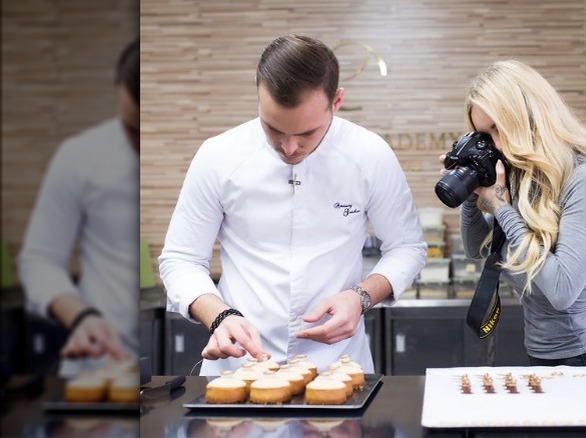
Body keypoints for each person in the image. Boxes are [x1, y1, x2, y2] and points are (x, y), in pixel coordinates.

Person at [159, 34, 426, 376]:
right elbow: (180, 259)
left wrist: (361, 296)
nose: (288, 148)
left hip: (338, 365)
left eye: (307, 133)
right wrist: (218, 316)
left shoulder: (370, 155)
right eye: (274, 129)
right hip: (239, 364)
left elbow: (407, 247)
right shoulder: (217, 156)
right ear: (258, 96)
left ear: (337, 101)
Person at [447, 59, 586, 374]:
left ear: (528, 116)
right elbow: (478, 247)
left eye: (497, 128)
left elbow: (561, 291)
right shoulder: (524, 182)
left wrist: (501, 209)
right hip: (544, 362)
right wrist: (471, 191)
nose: (493, 144)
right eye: (483, 135)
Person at [17, 37, 140, 376]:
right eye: (132, 129)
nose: (138, 143)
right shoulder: (78, 157)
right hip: (95, 361)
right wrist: (80, 316)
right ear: (117, 93)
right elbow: (39, 259)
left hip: (168, 373)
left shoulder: (206, 159)